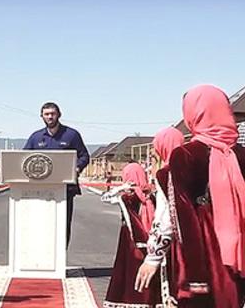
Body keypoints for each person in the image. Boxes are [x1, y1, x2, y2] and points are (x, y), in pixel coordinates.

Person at [136, 85, 245, 307]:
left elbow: (176, 213)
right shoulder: (241, 154)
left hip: (205, 254)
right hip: (240, 252)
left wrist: (154, 257)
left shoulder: (184, 156)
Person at [24, 102, 90, 247]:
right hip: (40, 190)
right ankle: (42, 255)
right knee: (42, 225)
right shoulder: (35, 137)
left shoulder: (72, 135)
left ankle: (60, 259)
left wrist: (77, 168)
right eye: (46, 114)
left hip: (66, 190)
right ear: (41, 116)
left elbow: (84, 156)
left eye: (52, 114)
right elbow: (23, 159)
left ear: (59, 115)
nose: (50, 117)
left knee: (62, 225)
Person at [133, 126, 184, 307]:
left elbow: (165, 217)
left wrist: (152, 256)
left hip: (176, 247)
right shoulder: (210, 162)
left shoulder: (167, 173)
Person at [102, 163, 160, 307]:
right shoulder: (151, 196)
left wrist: (120, 188)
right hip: (151, 238)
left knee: (128, 268)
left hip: (130, 238)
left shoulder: (126, 198)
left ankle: (130, 299)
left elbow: (105, 197)